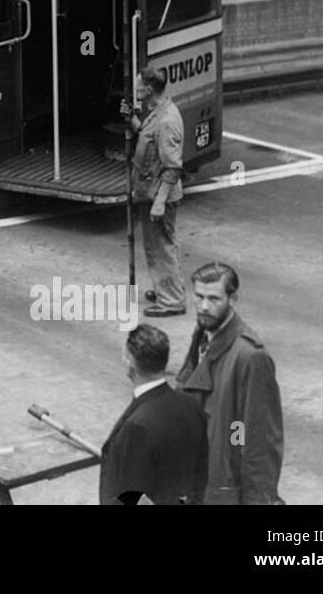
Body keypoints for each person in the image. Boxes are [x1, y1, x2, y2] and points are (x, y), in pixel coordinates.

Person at [176, 261, 284, 505]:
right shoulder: (204, 333)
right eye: (199, 296)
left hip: (223, 488)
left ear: (232, 299)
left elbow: (258, 442)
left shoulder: (250, 357)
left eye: (214, 299)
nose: (204, 306)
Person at [100, 324, 208, 506]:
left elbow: (129, 495)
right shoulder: (191, 406)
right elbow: (202, 472)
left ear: (130, 363)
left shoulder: (137, 427)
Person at [120, 65, 186, 316]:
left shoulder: (167, 120)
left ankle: (172, 301)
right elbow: (146, 135)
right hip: (152, 191)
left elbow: (172, 167)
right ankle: (166, 289)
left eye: (138, 86)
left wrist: (159, 202)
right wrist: (131, 121)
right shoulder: (158, 112)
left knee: (161, 246)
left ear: (148, 89)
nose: (135, 90)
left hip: (160, 195)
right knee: (159, 245)